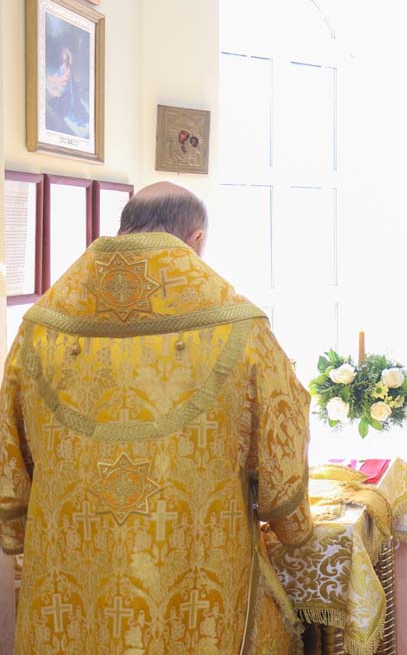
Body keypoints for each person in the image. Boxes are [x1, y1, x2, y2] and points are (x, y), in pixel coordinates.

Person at [0, 182, 312, 653]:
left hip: (74, 563)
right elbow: (280, 450)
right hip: (194, 565)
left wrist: (17, 528)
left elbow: (9, 451)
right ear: (196, 239)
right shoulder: (240, 328)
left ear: (126, 226)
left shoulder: (41, 327)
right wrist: (293, 528)